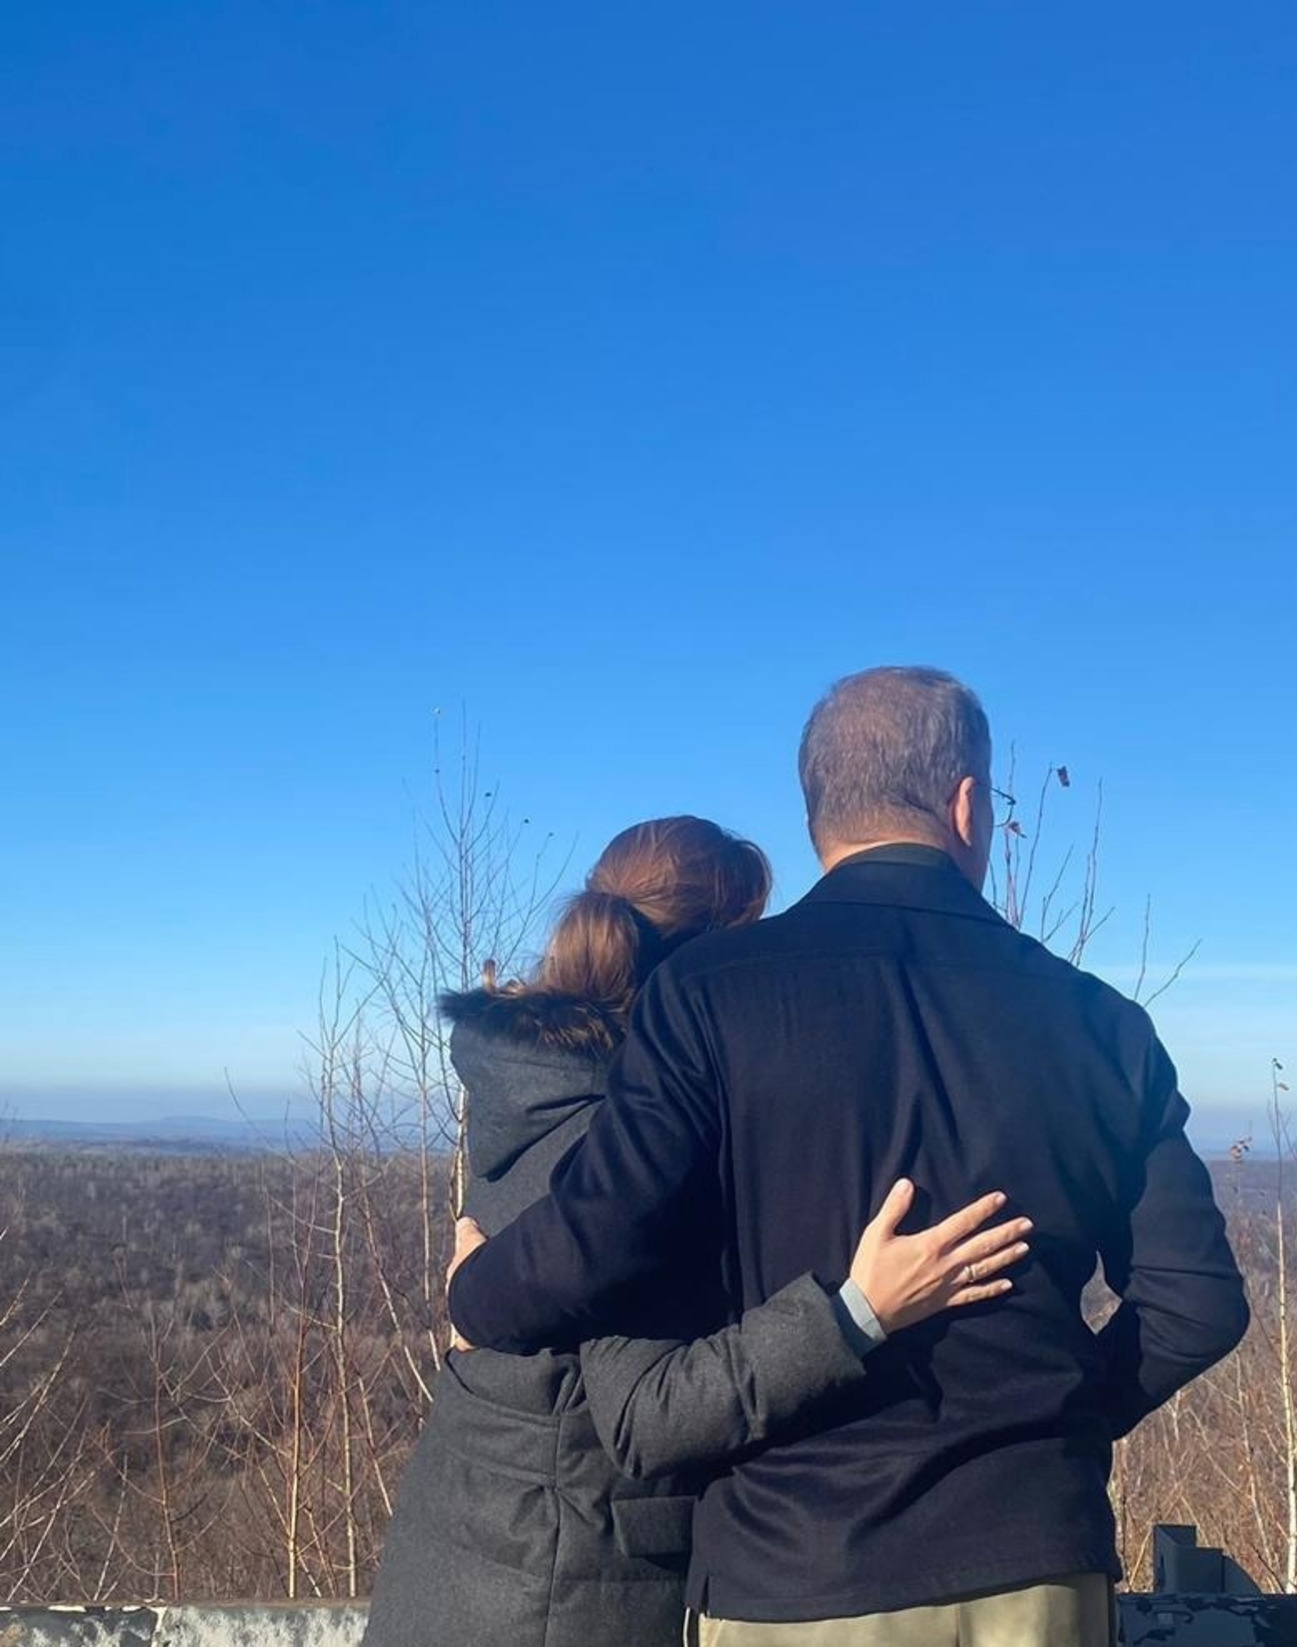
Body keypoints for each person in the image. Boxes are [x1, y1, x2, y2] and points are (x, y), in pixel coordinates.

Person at [450, 670, 1252, 1646]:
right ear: (967, 804)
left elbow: (601, 1236)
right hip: (1036, 1564)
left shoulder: (707, 995)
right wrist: (1057, 1425)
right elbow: (1197, 1303)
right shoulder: (1102, 1026)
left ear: (816, 813)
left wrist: (477, 1296)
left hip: (793, 1571)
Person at [364, 814, 1028, 1647]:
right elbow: (650, 1414)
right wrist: (856, 1311)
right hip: (560, 1593)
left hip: (457, 1563)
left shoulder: (530, 1087)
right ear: (707, 964)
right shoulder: (627, 1140)